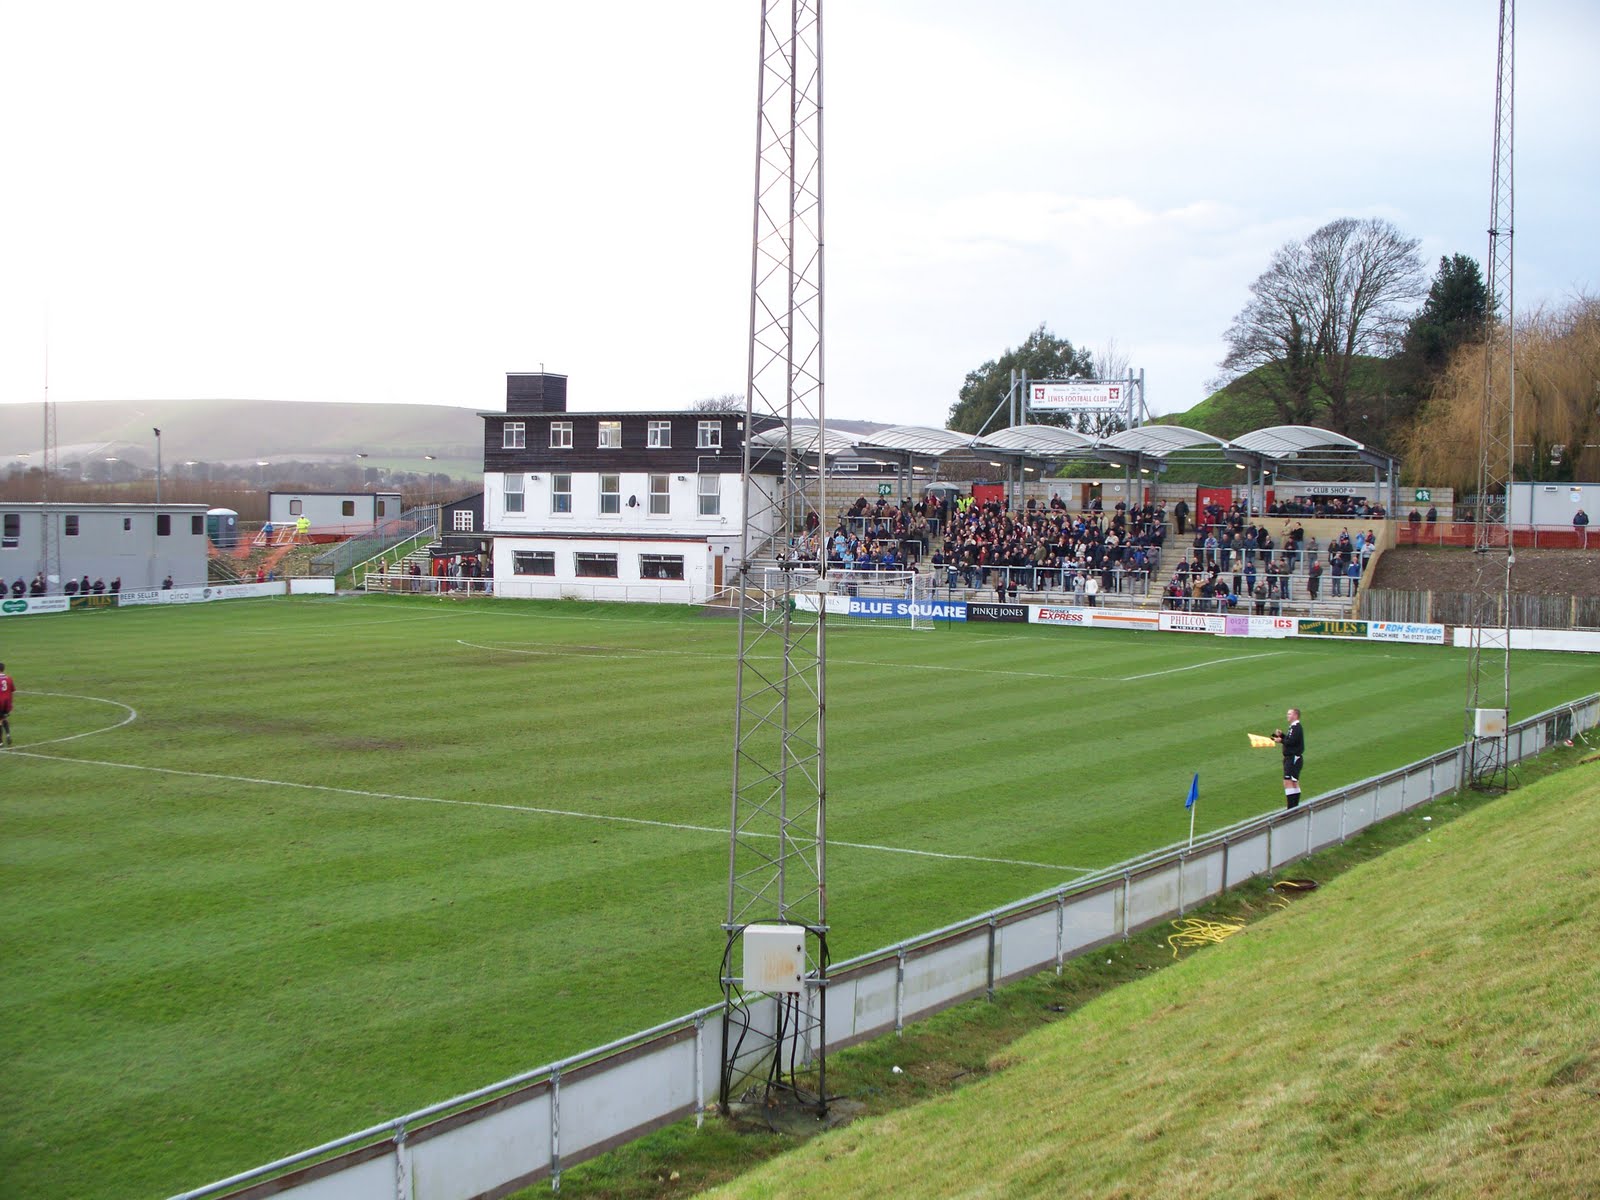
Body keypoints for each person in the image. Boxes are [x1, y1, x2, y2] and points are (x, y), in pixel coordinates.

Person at [1272, 707, 1304, 809]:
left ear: (1295, 715)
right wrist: (1281, 735)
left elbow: (1291, 742)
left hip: (1292, 759)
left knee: (1288, 781)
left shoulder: (1296, 727)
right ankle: (1294, 807)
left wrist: (1279, 740)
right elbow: (1290, 739)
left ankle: (1291, 808)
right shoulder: (1294, 727)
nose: (1287, 716)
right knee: (1294, 781)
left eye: (1289, 714)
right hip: (1292, 758)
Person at [0, 662, 14, 747]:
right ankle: (8, 734)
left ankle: (0, 742)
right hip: (7, 703)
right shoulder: (9, 678)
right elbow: (12, 690)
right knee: (4, 718)